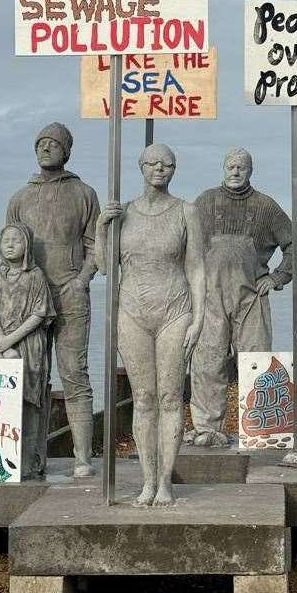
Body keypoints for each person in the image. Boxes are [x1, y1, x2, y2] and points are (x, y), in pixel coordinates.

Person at [96, 143, 205, 506]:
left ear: (175, 170)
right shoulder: (123, 212)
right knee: (143, 398)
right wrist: (100, 227)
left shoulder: (186, 211)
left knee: (171, 396)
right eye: (153, 163)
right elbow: (106, 266)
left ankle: (165, 482)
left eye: (168, 164)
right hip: (132, 311)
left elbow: (196, 268)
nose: (160, 169)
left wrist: (200, 317)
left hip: (175, 310)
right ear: (141, 167)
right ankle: (146, 480)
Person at [6, 122, 100, 477]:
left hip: (70, 295)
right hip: (29, 301)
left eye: (53, 143)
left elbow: (96, 246)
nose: (45, 148)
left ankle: (83, 459)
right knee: (31, 376)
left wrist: (81, 280)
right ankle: (30, 457)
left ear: (67, 151)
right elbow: (9, 250)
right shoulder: (19, 198)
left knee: (75, 374)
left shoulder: (83, 193)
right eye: (40, 143)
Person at [186, 147, 293, 447]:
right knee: (207, 362)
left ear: (250, 171)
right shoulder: (204, 203)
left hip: (251, 298)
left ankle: (261, 431)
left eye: (241, 167)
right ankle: (208, 428)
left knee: (256, 361)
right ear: (223, 168)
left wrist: (277, 277)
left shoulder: (267, 207)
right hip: (210, 297)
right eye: (230, 166)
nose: (235, 171)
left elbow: (294, 246)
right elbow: (185, 247)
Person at [0, 223, 56, 479]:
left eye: (16, 240)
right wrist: (2, 342)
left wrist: (12, 339)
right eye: (6, 241)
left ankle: (27, 463)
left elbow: (39, 313)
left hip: (29, 346)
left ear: (26, 246)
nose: (10, 244)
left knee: (29, 402)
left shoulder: (36, 277)